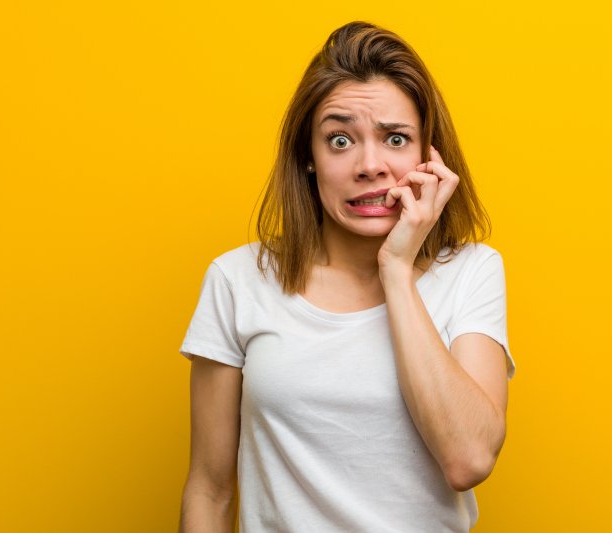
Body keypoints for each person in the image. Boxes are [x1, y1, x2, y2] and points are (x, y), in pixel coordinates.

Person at [177, 21, 516, 533]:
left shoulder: (471, 271)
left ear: (429, 155)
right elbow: (210, 489)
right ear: (308, 159)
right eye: (339, 140)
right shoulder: (237, 279)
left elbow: (468, 459)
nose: (370, 165)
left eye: (395, 138)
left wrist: (397, 270)